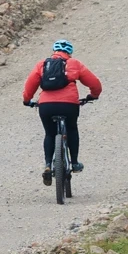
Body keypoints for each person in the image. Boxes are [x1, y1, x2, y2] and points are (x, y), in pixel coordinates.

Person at [22, 40, 102, 185]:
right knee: (71, 129)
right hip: (69, 104)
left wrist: (27, 100)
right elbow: (94, 83)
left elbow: (30, 84)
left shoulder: (42, 64)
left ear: (53, 51)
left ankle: (47, 165)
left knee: (49, 134)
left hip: (46, 105)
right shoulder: (74, 64)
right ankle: (75, 163)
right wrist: (93, 95)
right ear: (69, 52)